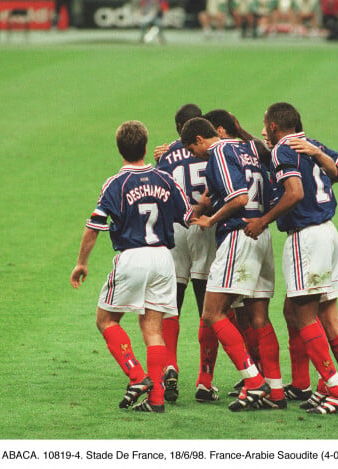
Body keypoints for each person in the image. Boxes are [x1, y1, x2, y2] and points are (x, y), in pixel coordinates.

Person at [245, 102, 338, 414]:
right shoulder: (310, 144)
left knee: (305, 316)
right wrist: (320, 164)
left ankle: (336, 389)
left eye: (264, 124)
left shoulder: (282, 150)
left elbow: (295, 193)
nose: (262, 130)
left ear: (273, 126)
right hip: (329, 233)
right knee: (321, 313)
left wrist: (263, 221)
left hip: (306, 237)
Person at [70, 120, 193, 413]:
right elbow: (186, 215)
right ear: (146, 147)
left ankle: (137, 376)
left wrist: (81, 263)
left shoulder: (115, 183)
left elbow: (94, 226)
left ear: (119, 149)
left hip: (133, 257)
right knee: (153, 329)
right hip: (165, 258)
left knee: (106, 320)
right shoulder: (165, 179)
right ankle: (157, 399)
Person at [181, 117, 285, 411]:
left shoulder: (220, 152)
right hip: (261, 236)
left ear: (201, 139)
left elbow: (239, 198)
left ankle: (254, 381)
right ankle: (275, 391)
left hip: (240, 235)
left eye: (192, 149)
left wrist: (211, 220)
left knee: (213, 313)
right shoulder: (247, 148)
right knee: (259, 317)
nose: (194, 156)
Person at [154, 104, 221, 404]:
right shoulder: (213, 152)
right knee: (207, 305)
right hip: (205, 226)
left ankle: (169, 364)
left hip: (176, 228)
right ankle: (205, 381)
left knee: (171, 302)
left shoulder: (167, 156)